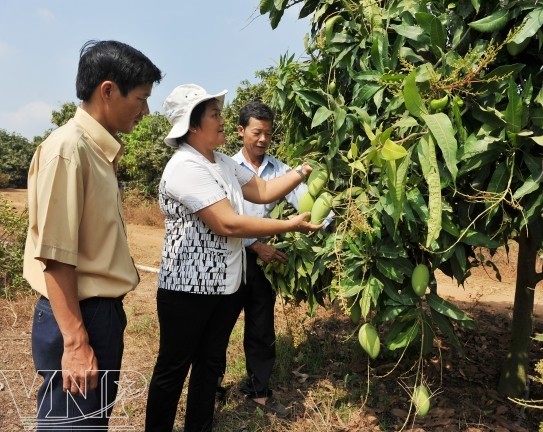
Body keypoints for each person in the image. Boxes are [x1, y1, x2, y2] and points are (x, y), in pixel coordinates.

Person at [144, 84, 323, 432]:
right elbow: (227, 222)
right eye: (215, 114)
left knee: (210, 364)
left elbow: (265, 190)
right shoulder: (185, 166)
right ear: (194, 125)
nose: (222, 120)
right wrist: (288, 224)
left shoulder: (223, 163)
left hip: (225, 287)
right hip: (186, 291)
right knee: (173, 368)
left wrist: (302, 171)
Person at [22, 40, 162, 431]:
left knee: (86, 424)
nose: (146, 111)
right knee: (72, 426)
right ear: (108, 91)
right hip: (79, 314)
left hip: (97, 314)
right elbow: (55, 257)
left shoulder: (95, 151)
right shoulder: (69, 151)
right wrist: (76, 342)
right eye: (141, 98)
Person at [230, 100, 331, 416]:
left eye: (268, 134)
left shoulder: (282, 170)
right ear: (241, 131)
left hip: (265, 262)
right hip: (232, 256)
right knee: (219, 324)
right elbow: (223, 218)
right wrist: (253, 244)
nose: (262, 140)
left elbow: (307, 204)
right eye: (257, 132)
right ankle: (213, 385)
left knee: (261, 325)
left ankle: (258, 388)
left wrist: (332, 223)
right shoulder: (226, 167)